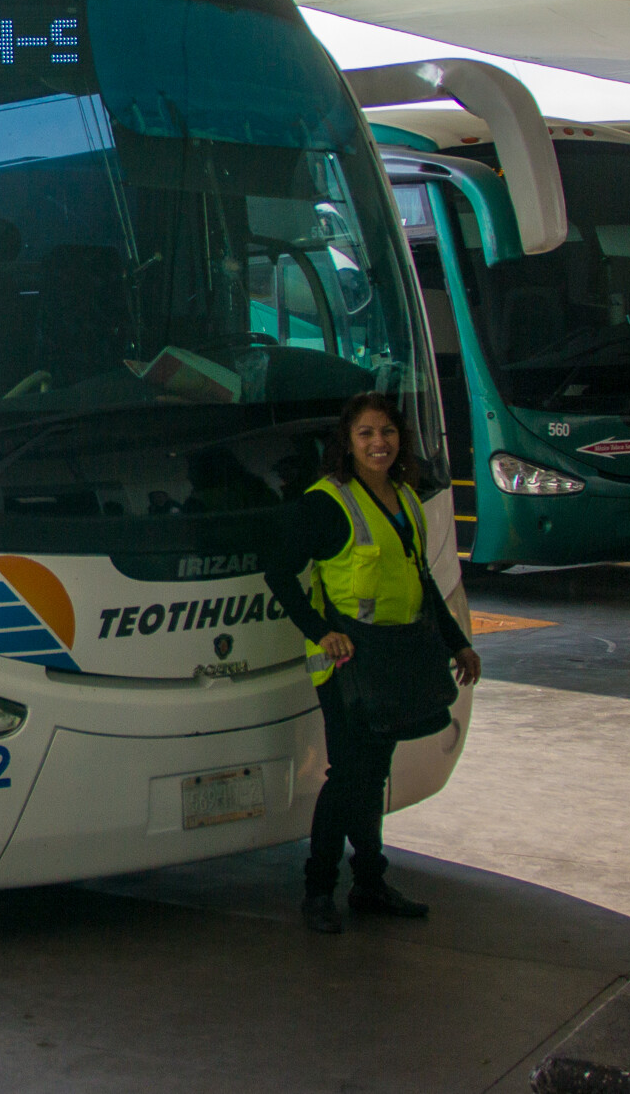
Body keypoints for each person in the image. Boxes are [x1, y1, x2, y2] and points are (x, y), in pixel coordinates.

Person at [265, 392, 481, 934]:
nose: (378, 443)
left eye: (387, 432)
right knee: (348, 776)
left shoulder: (405, 497)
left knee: (372, 774)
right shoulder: (326, 503)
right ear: (348, 442)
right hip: (348, 663)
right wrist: (322, 632)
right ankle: (319, 890)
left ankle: (369, 882)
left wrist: (457, 643)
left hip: (395, 656)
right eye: (365, 434)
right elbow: (279, 574)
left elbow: (421, 580)